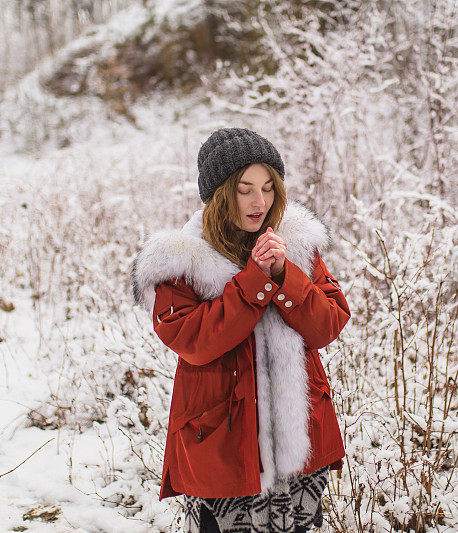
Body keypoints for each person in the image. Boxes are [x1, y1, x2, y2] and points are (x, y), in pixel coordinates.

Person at [130, 127, 350, 532]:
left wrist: (285, 275)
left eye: (268, 187)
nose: (259, 201)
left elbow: (328, 325)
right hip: (221, 444)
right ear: (219, 193)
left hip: (296, 440)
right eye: (244, 188)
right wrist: (253, 282)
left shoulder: (295, 243)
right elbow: (193, 341)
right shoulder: (181, 261)